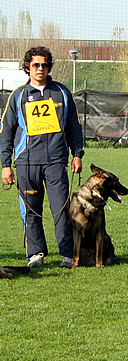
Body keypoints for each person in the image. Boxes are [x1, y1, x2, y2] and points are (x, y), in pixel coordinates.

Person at [0, 46, 84, 268]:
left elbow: (74, 127)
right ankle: (35, 254)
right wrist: (5, 165)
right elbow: (6, 132)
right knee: (31, 211)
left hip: (56, 162)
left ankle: (67, 254)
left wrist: (77, 154)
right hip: (26, 163)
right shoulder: (17, 96)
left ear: (49, 67)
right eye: (36, 65)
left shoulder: (62, 93)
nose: (40, 69)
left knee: (62, 210)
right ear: (27, 68)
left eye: (44, 65)